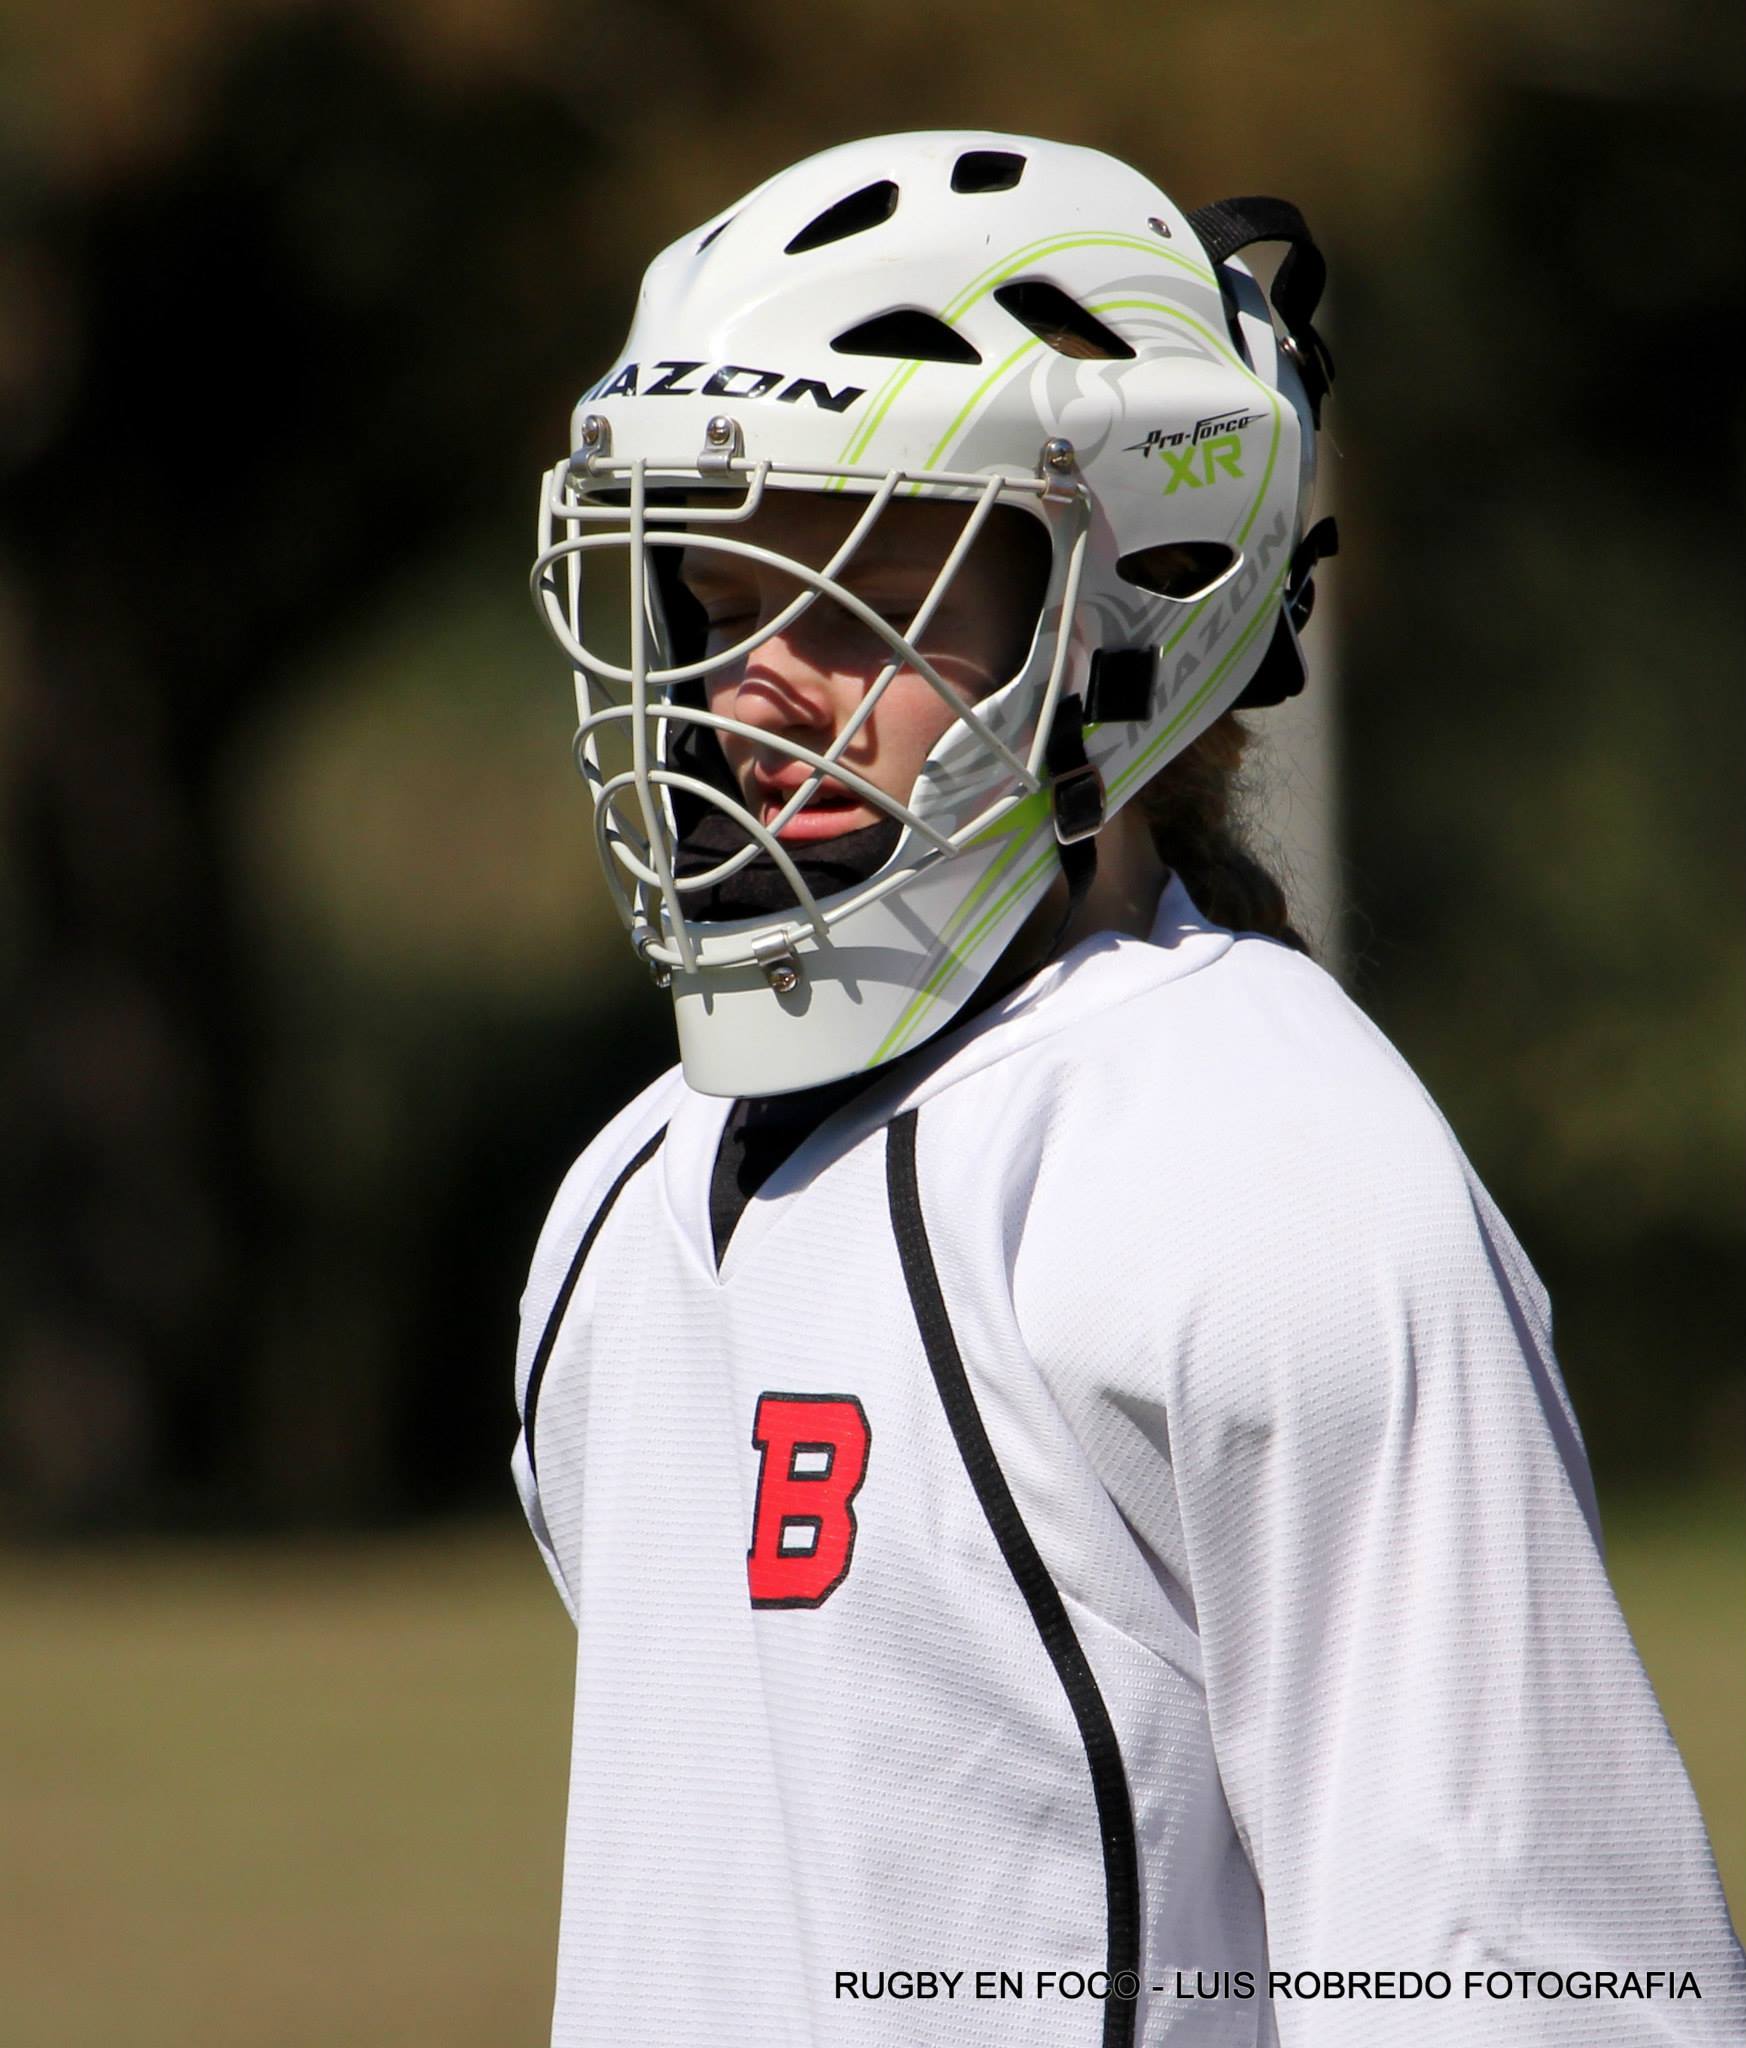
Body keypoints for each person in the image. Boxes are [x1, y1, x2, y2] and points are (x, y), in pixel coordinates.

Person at [513, 131, 1743, 2045]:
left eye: (854, 590)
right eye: (714, 581)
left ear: (1125, 607)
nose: (748, 683)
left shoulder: (1260, 1160)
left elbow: (1525, 1973)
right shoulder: (629, 1187)